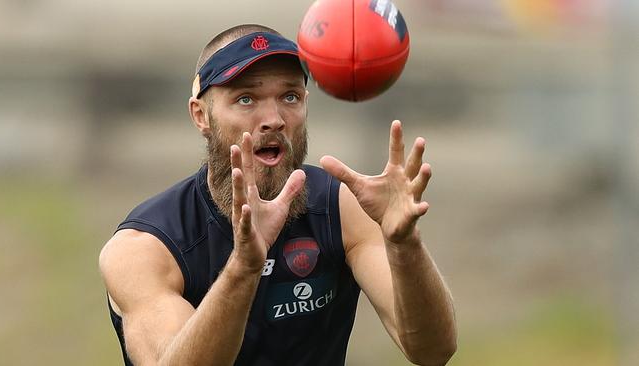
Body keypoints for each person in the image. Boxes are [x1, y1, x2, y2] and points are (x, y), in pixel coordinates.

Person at [99, 24, 457, 366]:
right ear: (201, 116)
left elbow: (432, 350)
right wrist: (244, 268)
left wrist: (405, 244)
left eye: (289, 96)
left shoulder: (340, 208)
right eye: (245, 98)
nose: (274, 118)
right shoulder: (146, 246)